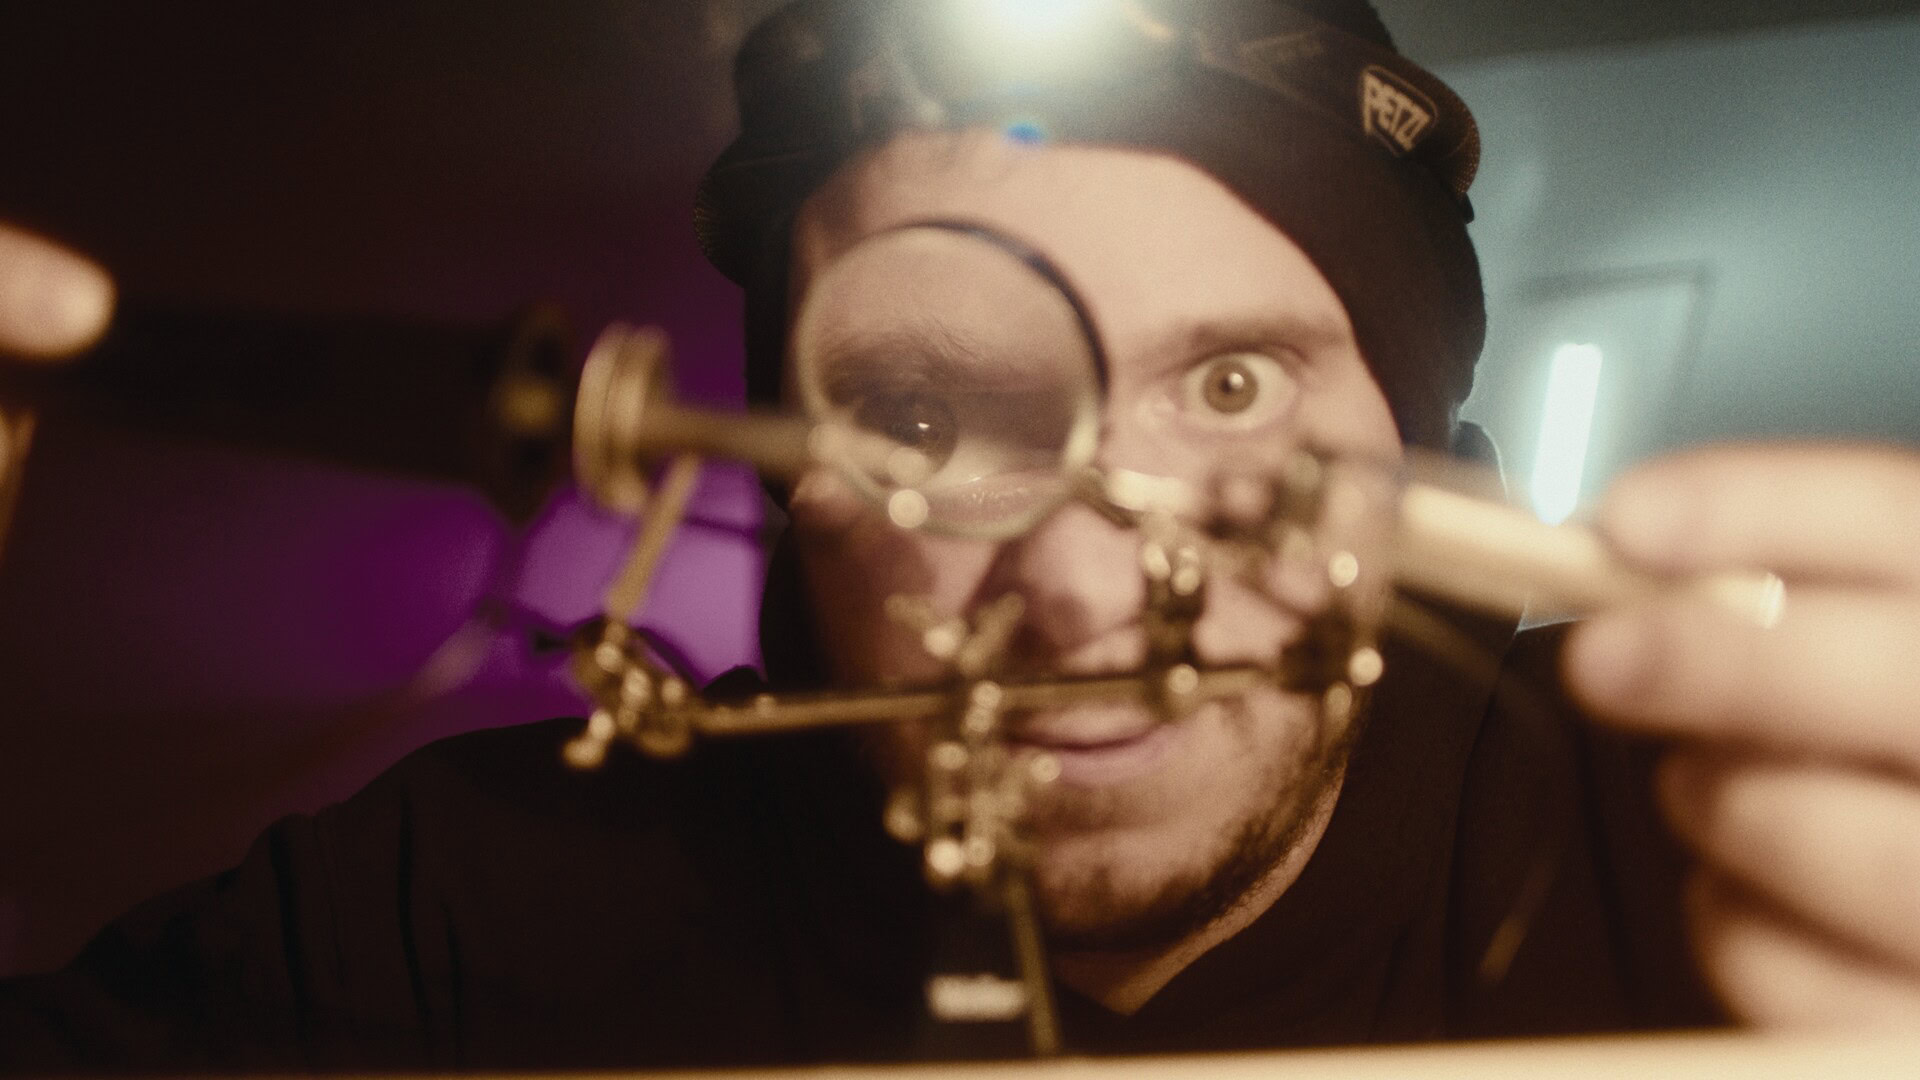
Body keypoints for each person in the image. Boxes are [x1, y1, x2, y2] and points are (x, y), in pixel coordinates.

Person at [2, 0, 1919, 1070]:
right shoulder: (440, 902)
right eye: (917, 416)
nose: (1080, 590)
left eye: (1233, 391)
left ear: (1429, 461)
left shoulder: (1704, 849)